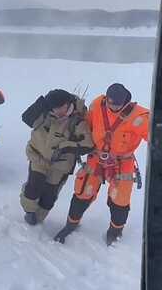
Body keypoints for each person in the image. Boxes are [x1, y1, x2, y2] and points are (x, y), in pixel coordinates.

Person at [54, 83, 150, 245]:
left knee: (120, 200)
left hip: (122, 162)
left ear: (125, 101)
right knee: (83, 191)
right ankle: (71, 224)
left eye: (117, 105)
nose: (112, 107)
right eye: (110, 103)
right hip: (96, 157)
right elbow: (86, 125)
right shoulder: (97, 104)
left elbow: (158, 138)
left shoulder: (140, 117)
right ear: (106, 99)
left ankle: (114, 232)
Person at [20, 89, 94, 225]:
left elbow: (89, 144)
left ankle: (39, 217)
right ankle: (29, 211)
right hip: (38, 157)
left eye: (59, 107)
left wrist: (66, 145)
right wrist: (42, 102)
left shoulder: (77, 121)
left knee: (49, 195)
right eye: (53, 108)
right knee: (33, 188)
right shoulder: (44, 112)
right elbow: (27, 118)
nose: (56, 111)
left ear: (67, 104)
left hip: (60, 166)